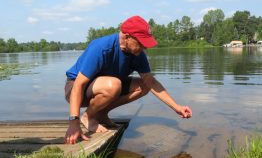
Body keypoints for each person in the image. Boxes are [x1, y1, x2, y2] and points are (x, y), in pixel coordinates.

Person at [64, 16, 192, 144]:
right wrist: (73, 123)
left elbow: (151, 82)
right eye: (141, 43)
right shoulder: (101, 47)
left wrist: (177, 107)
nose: (145, 48)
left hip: (106, 88)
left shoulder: (137, 54)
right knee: (114, 85)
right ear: (127, 37)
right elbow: (78, 85)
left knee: (144, 85)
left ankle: (101, 113)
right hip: (76, 89)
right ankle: (88, 116)